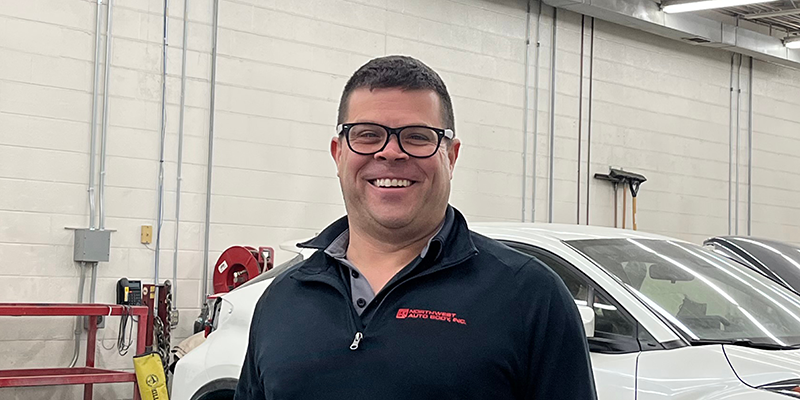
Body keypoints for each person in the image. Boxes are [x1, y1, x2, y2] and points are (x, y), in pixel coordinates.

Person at [234, 55, 596, 400]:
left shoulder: (530, 297)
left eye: (418, 137)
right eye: (367, 134)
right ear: (338, 153)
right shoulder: (282, 299)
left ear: (451, 157)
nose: (391, 152)